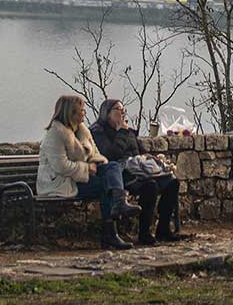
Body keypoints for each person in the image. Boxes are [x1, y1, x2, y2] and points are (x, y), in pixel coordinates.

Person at [38, 94, 140, 249]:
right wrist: (87, 168)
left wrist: (93, 163)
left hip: (79, 178)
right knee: (105, 186)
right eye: (81, 110)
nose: (84, 113)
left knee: (112, 166)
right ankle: (110, 234)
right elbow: (61, 166)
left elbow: (96, 154)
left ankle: (119, 202)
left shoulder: (82, 132)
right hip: (60, 183)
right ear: (71, 113)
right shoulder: (55, 134)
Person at [91, 99, 187, 245]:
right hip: (120, 174)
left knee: (172, 182)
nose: (122, 113)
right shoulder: (99, 131)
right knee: (150, 186)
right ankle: (144, 233)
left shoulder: (128, 131)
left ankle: (163, 228)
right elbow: (110, 155)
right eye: (118, 109)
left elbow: (140, 151)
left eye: (123, 110)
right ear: (107, 113)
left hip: (140, 169)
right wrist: (121, 132)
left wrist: (152, 159)